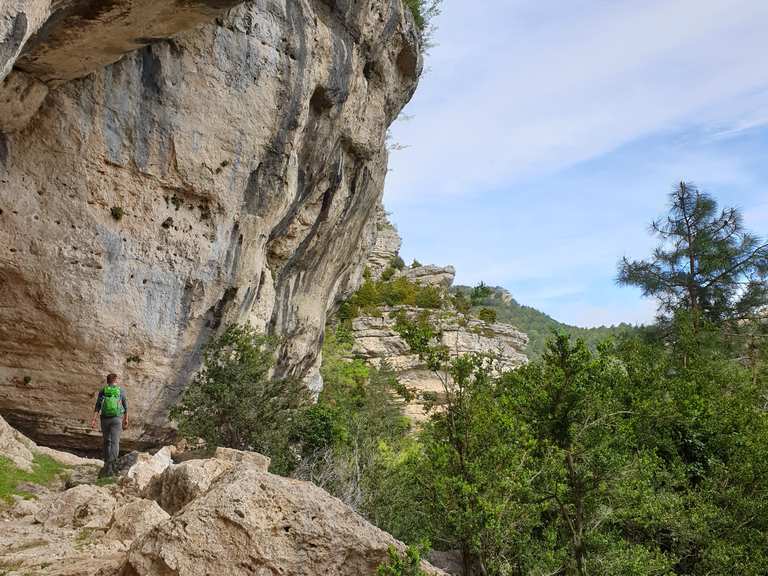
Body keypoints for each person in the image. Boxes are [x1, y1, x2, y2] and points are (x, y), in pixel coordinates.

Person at [90, 373, 128, 477]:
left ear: (107, 381)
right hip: (117, 419)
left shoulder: (103, 391)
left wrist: (93, 420)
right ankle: (112, 464)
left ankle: (106, 463)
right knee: (115, 442)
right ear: (115, 380)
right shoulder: (120, 390)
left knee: (107, 441)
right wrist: (126, 419)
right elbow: (125, 406)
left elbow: (97, 406)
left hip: (105, 419)